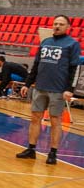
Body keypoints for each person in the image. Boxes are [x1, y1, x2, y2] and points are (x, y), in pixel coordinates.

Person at [15, 15, 81, 165]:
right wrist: (27, 84)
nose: (57, 26)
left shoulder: (72, 44)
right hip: (40, 87)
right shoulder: (45, 42)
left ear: (68, 27)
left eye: (61, 24)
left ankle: (53, 153)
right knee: (35, 118)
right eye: (55, 23)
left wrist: (69, 89)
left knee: (55, 120)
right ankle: (31, 149)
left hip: (58, 90)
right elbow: (36, 65)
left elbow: (74, 68)